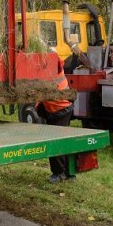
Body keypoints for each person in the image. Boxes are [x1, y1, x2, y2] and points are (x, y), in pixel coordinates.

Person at [36, 50, 75, 183]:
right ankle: (69, 173)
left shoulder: (49, 69)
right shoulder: (55, 63)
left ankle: (59, 173)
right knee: (63, 140)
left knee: (55, 141)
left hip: (59, 109)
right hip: (63, 107)